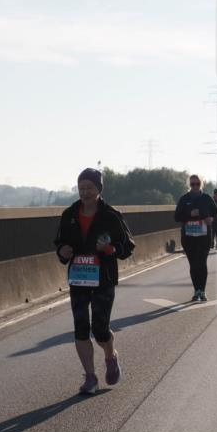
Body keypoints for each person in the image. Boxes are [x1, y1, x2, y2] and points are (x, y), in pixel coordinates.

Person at [54, 168, 135, 395]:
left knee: (99, 329)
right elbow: (58, 243)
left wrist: (110, 249)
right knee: (80, 328)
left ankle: (110, 356)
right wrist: (63, 251)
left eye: (89, 187)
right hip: (79, 279)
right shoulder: (69, 214)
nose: (85, 192)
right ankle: (90, 377)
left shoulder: (111, 215)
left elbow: (128, 246)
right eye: (81, 188)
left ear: (99, 189)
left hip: (103, 279)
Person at [175, 175, 217, 302]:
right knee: (193, 264)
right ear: (189, 185)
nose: (195, 186)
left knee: (202, 263)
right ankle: (196, 291)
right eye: (192, 184)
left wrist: (211, 219)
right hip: (189, 238)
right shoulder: (184, 199)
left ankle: (202, 291)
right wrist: (189, 214)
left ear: (201, 184)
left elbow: (215, 213)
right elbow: (177, 217)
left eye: (197, 184)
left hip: (204, 237)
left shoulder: (206, 198)